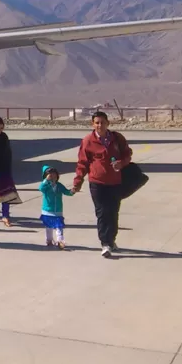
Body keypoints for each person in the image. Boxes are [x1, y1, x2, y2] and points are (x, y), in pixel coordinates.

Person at [72, 110, 133, 258]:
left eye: (103, 122)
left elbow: (127, 154)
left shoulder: (117, 138)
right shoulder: (88, 141)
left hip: (115, 182)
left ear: (108, 123)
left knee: (113, 213)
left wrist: (122, 163)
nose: (100, 125)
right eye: (97, 123)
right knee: (102, 213)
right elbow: (82, 163)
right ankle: (105, 243)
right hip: (97, 183)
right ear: (92, 124)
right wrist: (78, 181)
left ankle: (111, 240)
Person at [39, 164, 75, 249]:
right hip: (47, 210)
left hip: (58, 210)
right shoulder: (45, 186)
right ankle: (49, 240)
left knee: (59, 226)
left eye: (54, 174)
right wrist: (45, 181)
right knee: (48, 227)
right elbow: (41, 188)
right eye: (50, 175)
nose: (53, 176)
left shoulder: (59, 185)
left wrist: (72, 192)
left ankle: (60, 241)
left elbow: (66, 191)